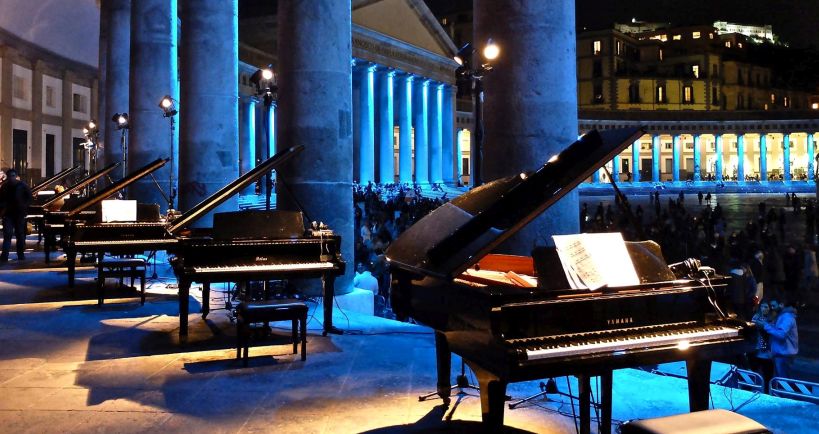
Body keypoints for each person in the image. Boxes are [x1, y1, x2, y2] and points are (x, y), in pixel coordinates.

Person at [755, 298, 798, 379]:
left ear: (781, 305)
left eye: (773, 306)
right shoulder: (781, 316)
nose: (772, 308)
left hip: (784, 354)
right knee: (780, 379)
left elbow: (781, 334)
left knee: (783, 380)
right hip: (781, 353)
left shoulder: (787, 317)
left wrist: (765, 326)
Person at [0, 169, 32, 262]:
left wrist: (24, 207)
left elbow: (29, 198)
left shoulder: (22, 185)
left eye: (13, 176)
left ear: (16, 176)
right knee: (8, 235)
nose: (11, 178)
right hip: (8, 214)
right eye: (10, 176)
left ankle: (20, 254)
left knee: (20, 235)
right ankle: (5, 256)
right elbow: (0, 199)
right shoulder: (5, 186)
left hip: (19, 213)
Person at [750, 301, 775, 391]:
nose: (764, 309)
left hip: (767, 353)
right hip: (756, 350)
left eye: (766, 307)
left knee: (767, 375)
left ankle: (767, 392)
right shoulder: (755, 317)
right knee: (753, 373)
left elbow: (770, 330)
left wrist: (762, 325)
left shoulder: (772, 319)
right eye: (763, 306)